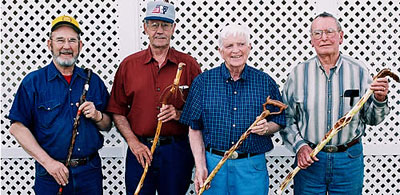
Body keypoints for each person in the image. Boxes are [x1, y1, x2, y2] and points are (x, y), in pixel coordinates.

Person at [280, 12, 390, 195]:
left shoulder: (359, 72)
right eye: (317, 33)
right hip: (311, 161)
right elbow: (287, 118)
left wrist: (379, 99)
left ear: (341, 36)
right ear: (311, 41)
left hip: (348, 160)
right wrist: (300, 147)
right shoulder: (298, 74)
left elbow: (372, 119)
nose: (324, 38)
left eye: (329, 31)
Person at [8, 15, 112, 194]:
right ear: (50, 44)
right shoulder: (33, 82)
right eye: (60, 40)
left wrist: (98, 116)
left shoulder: (93, 81)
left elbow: (108, 125)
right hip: (51, 175)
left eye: (72, 40)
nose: (66, 46)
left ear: (80, 46)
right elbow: (17, 127)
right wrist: (48, 163)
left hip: (90, 173)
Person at [106, 1, 202, 194]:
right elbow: (117, 110)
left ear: (173, 28)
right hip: (139, 151)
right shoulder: (129, 65)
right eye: (154, 24)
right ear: (145, 27)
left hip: (176, 151)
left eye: (165, 25)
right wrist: (133, 143)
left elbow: (201, 112)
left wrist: (178, 114)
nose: (159, 30)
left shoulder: (188, 65)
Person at [180, 23, 286, 195]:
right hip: (213, 163)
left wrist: (267, 128)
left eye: (241, 44)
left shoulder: (265, 82)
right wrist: (200, 167)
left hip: (251, 167)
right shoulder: (203, 82)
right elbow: (194, 128)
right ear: (221, 51)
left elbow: (279, 121)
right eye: (229, 46)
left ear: (249, 48)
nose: (236, 50)